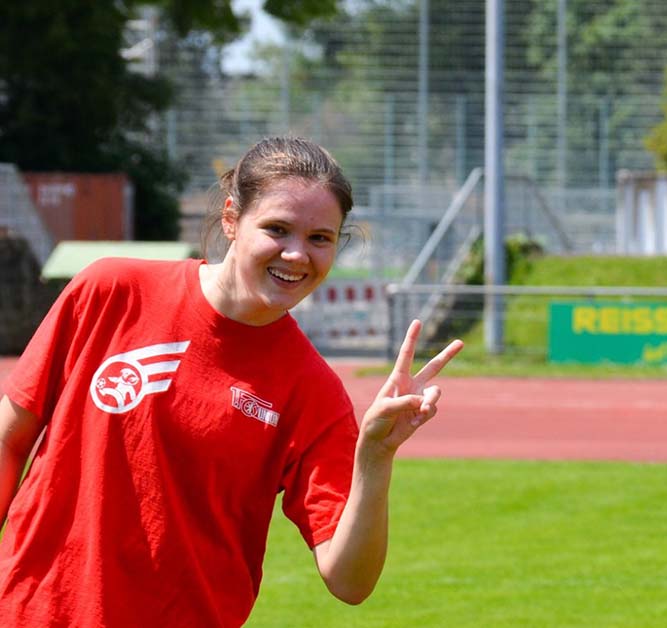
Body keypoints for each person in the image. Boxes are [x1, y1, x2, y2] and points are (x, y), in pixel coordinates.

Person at [0, 136, 463, 626]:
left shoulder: (312, 391)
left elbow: (349, 580)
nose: (296, 255)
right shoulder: (111, 290)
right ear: (230, 219)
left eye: (319, 238)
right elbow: (10, 439)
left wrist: (376, 458)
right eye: (277, 229)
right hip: (33, 613)